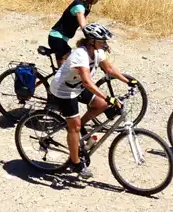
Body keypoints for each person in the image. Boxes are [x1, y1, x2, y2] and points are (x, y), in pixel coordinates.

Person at [48, 22, 137, 179]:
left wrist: (127, 81)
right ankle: (75, 162)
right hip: (64, 90)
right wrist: (108, 96)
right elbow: (88, 82)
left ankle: (80, 130)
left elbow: (109, 69)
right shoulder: (80, 55)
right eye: (102, 41)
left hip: (77, 87)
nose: (105, 44)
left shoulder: (97, 52)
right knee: (74, 126)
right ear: (91, 41)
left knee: (101, 105)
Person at [48, 0, 108, 65]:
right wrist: (95, 39)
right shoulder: (79, 6)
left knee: (62, 72)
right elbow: (83, 25)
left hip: (60, 38)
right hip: (57, 38)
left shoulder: (85, 3)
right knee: (76, 63)